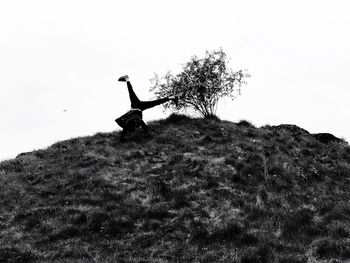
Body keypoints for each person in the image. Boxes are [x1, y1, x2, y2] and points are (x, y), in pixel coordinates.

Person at [115, 75, 178, 141]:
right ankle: (172, 98)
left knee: (133, 94)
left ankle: (127, 79)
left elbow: (128, 128)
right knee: (154, 102)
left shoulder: (132, 121)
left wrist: (121, 140)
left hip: (136, 107)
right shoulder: (132, 121)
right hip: (137, 108)